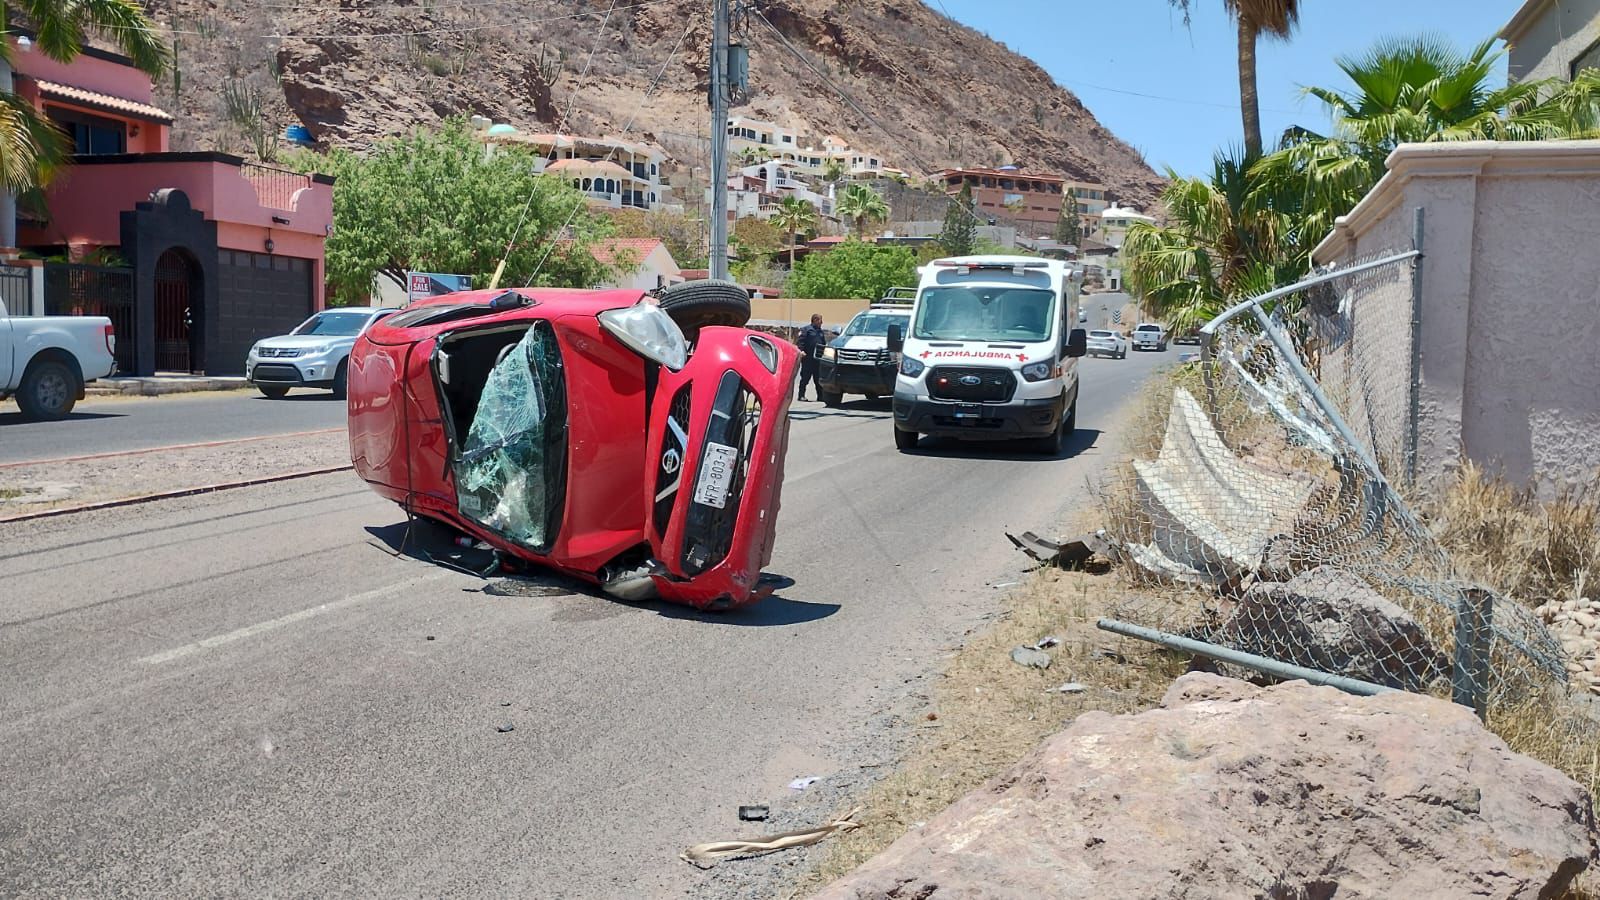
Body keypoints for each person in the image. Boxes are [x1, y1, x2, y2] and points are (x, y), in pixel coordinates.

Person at [795, 313, 828, 401]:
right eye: (820, 320)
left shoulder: (820, 331)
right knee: (805, 378)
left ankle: (820, 396)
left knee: (818, 379)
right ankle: (801, 395)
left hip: (817, 358)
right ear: (815, 320)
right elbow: (801, 341)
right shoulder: (807, 330)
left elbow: (823, 343)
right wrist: (801, 351)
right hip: (808, 358)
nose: (822, 322)